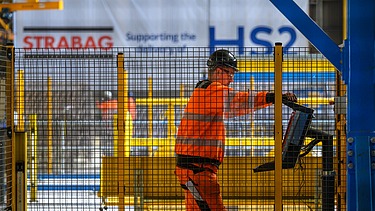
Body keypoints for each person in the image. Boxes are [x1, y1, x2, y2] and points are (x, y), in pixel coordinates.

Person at [174, 49, 297, 210]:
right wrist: (272, 97)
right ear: (218, 71)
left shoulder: (205, 93)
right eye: (230, 74)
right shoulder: (211, 90)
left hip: (193, 171)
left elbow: (237, 108)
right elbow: (240, 100)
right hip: (198, 172)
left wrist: (269, 101)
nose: (231, 79)